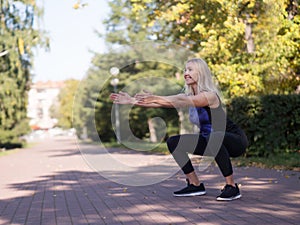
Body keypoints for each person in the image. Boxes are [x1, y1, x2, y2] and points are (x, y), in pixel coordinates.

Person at [110, 58, 249, 201]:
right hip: (210, 141)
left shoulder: (210, 96)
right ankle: (195, 184)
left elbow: (180, 101)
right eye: (185, 70)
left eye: (190, 70)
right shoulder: (188, 95)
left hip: (234, 141)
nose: (186, 73)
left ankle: (231, 186)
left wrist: (155, 97)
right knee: (174, 142)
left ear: (200, 73)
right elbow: (170, 102)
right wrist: (132, 101)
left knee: (214, 137)